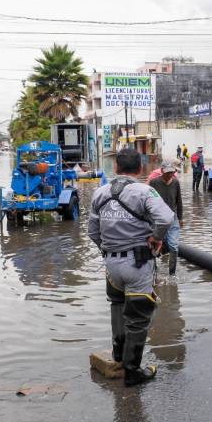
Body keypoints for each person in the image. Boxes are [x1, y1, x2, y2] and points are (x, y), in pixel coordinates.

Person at [88, 148, 175, 386]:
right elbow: (166, 218)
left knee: (117, 306)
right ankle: (133, 372)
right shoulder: (145, 191)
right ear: (140, 168)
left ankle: (118, 356)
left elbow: (92, 232)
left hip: (111, 265)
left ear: (116, 167)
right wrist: (156, 237)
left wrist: (108, 250)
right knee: (138, 317)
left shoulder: (100, 192)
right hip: (137, 264)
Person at [147, 160, 182, 275]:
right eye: (167, 173)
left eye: (172, 172)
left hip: (172, 217)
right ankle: (154, 271)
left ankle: (172, 274)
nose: (169, 175)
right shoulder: (153, 183)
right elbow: (148, 201)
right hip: (157, 218)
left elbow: (179, 201)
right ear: (162, 171)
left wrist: (180, 218)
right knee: (153, 245)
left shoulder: (175, 182)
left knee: (174, 246)